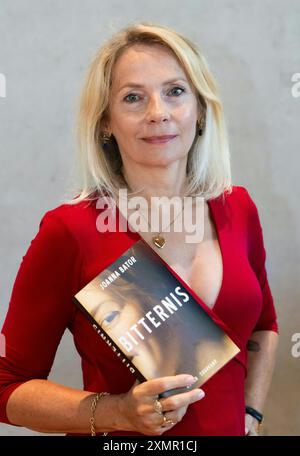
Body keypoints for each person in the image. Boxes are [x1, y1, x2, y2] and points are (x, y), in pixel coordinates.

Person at [0, 22, 279, 436]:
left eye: (175, 91)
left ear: (200, 108)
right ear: (106, 122)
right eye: (133, 97)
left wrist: (251, 416)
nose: (158, 112)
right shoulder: (71, 230)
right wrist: (120, 412)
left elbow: (263, 325)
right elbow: (7, 387)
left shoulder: (237, 206)